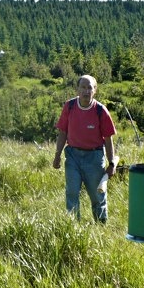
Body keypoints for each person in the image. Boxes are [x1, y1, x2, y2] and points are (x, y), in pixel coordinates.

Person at [53, 75, 117, 222]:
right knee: (72, 193)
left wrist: (112, 163)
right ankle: (74, 228)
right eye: (83, 87)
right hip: (73, 157)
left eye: (90, 88)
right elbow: (63, 132)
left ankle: (101, 227)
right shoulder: (69, 107)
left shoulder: (101, 111)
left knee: (97, 196)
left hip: (94, 158)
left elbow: (108, 139)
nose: (86, 91)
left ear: (95, 90)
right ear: (78, 89)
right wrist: (57, 156)